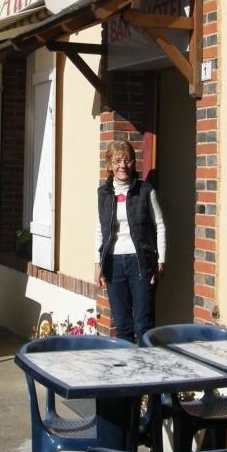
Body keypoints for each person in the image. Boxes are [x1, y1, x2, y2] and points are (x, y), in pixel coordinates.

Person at [94, 139, 166, 343]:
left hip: (140, 262)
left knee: (143, 325)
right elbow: (99, 228)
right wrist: (97, 263)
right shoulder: (103, 194)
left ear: (133, 163)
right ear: (109, 165)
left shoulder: (145, 191)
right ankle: (127, 372)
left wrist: (161, 260)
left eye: (127, 160)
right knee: (123, 326)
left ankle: (146, 370)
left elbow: (160, 225)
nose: (122, 166)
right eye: (117, 161)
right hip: (113, 263)